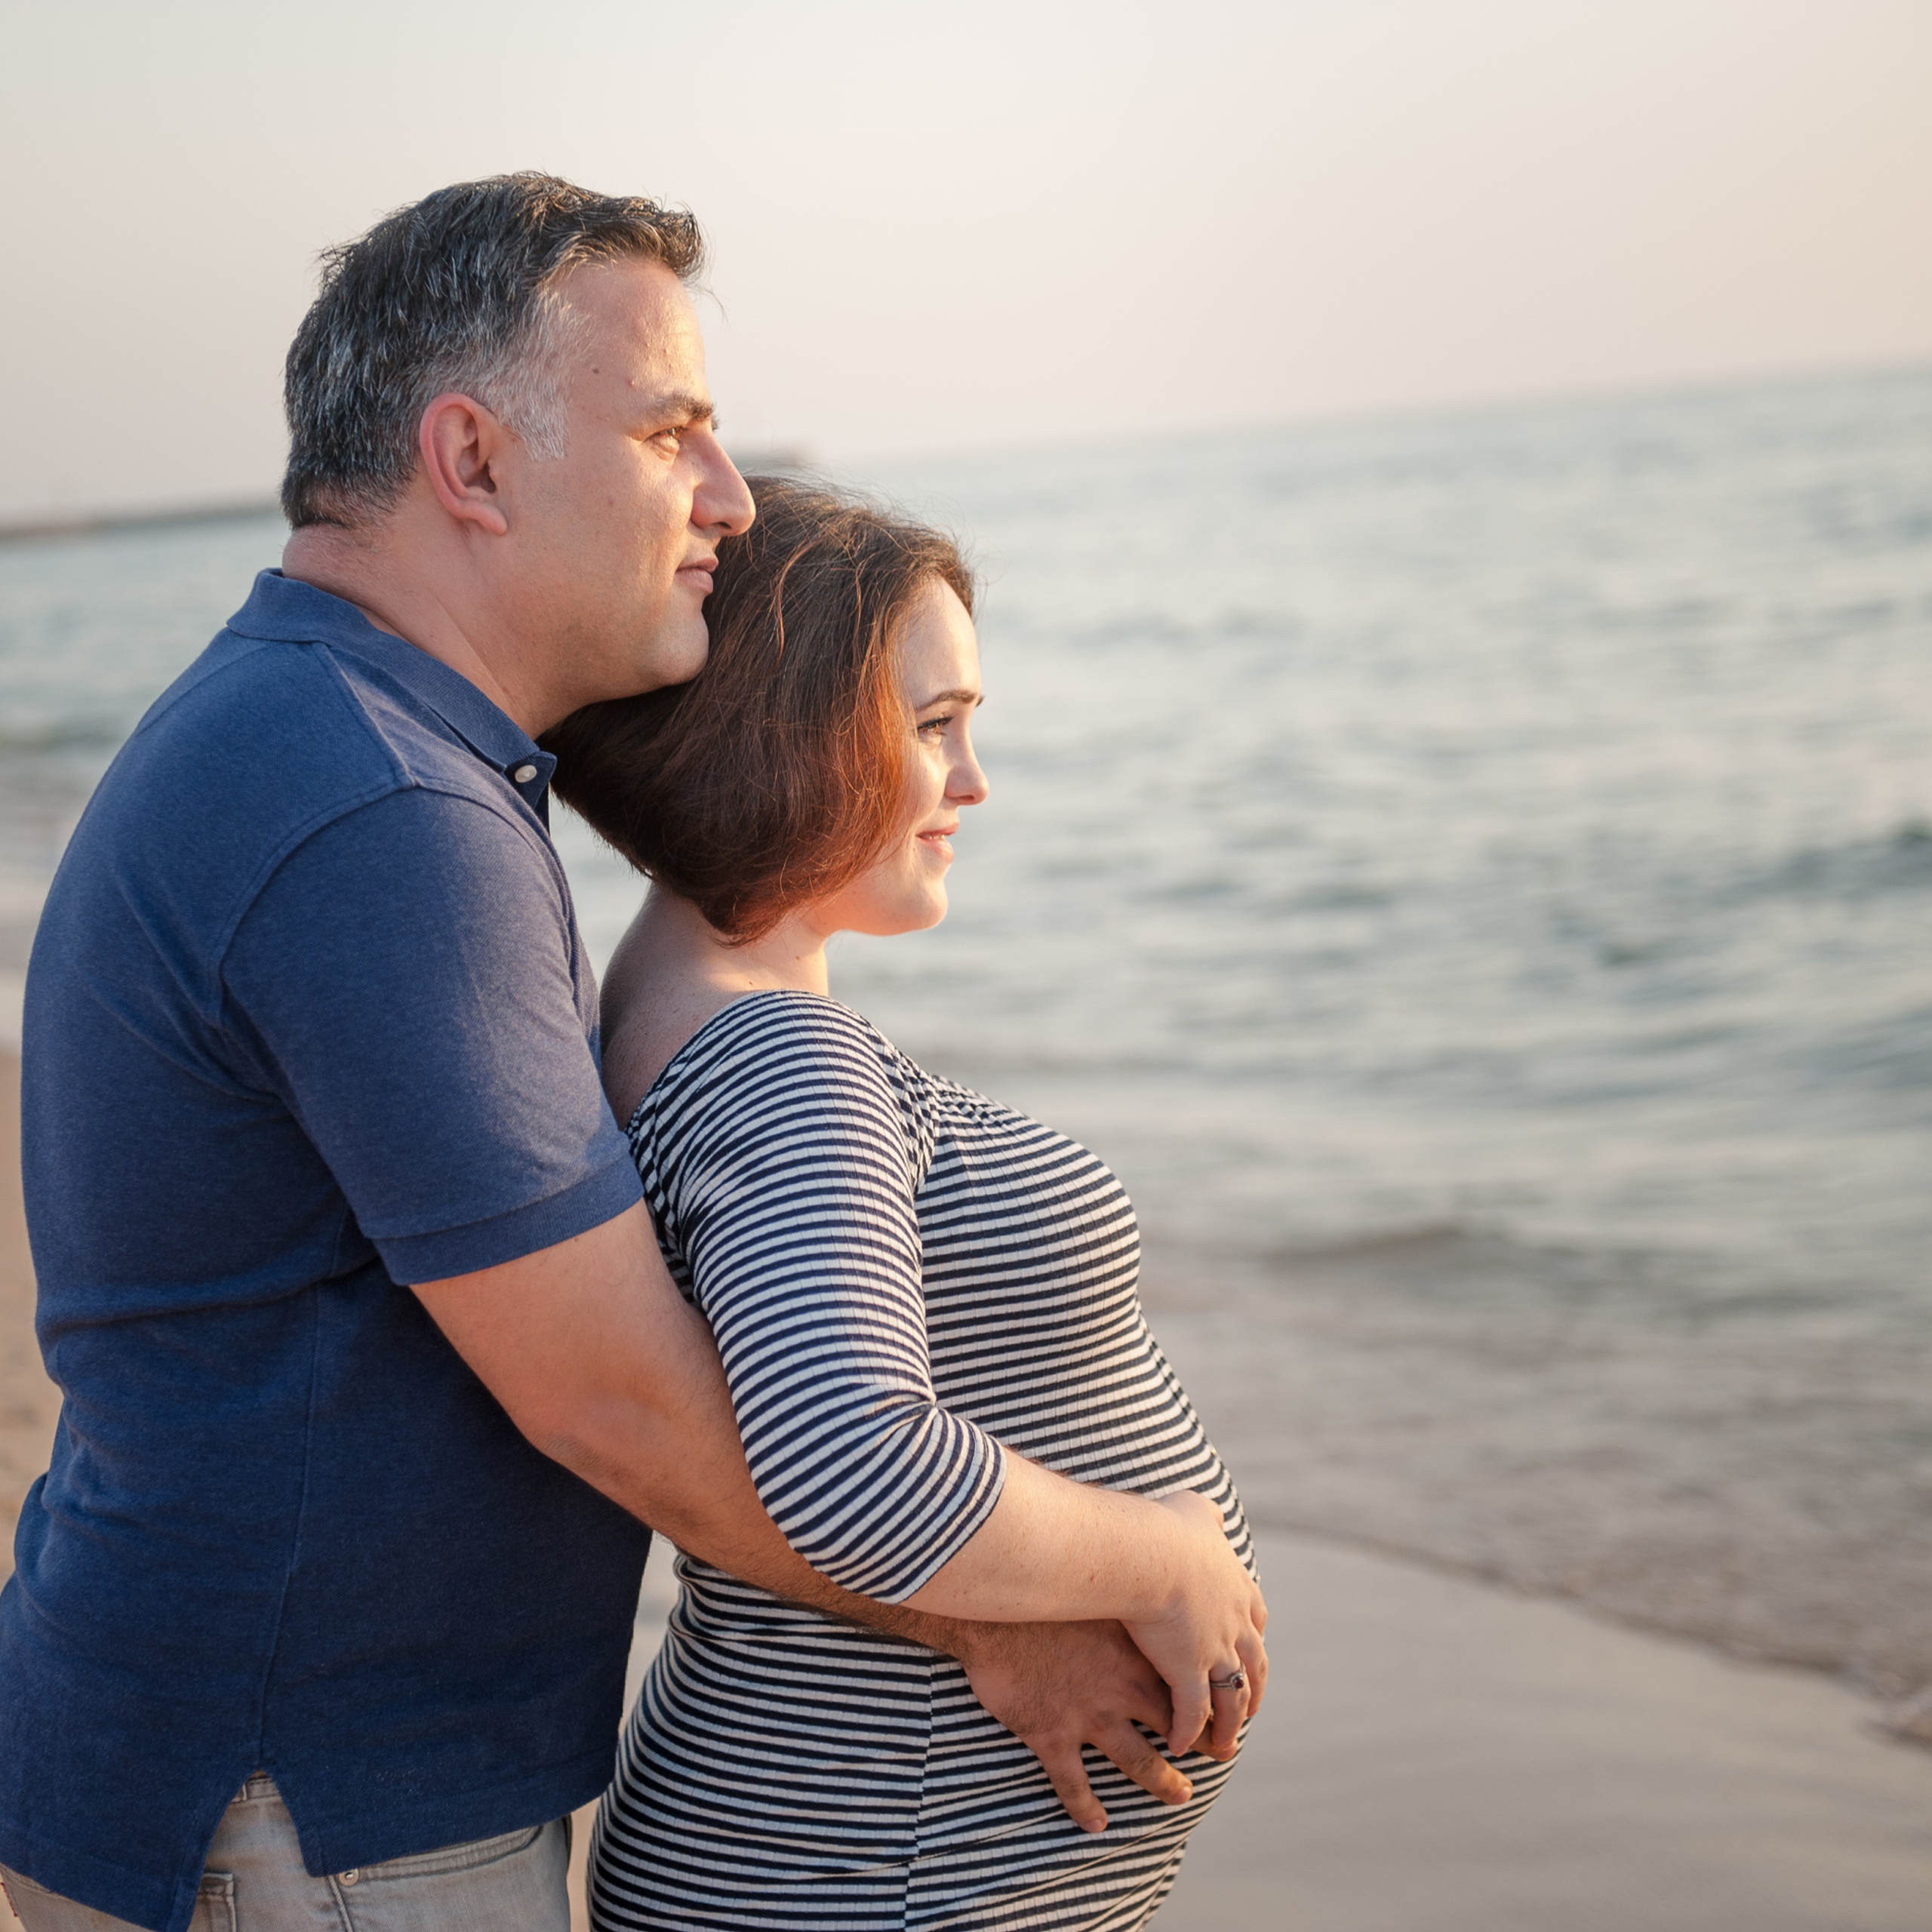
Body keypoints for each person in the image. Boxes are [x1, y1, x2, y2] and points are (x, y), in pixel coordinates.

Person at [0, 174, 1260, 1932]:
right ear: (472, 460)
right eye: (672, 433)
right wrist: (1012, 1612)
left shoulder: (343, 744)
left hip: (280, 1775)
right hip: (309, 1806)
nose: (725, 496)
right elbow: (620, 1404)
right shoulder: (375, 806)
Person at [543, 477, 1260, 1931]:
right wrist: (1165, 1554)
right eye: (934, 726)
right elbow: (851, 1460)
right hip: (872, 1867)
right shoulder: (777, 1062)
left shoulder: (696, 1015)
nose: (974, 781)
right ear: (784, 732)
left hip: (863, 1851)